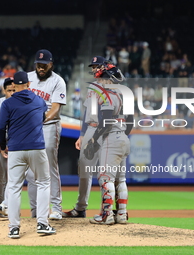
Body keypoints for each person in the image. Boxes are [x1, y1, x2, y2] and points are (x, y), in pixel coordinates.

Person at [0, 71, 56, 239]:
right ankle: (43, 223)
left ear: (14, 85)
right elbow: (42, 116)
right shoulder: (39, 100)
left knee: (14, 187)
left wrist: (2, 145)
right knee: (43, 183)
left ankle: (13, 228)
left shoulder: (8, 103)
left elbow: (0, 128)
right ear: (29, 84)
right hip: (37, 147)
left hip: (15, 149)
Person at [86, 63, 133, 225]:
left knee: (105, 178)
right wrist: (122, 135)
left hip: (111, 138)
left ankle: (106, 215)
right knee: (121, 179)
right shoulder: (123, 94)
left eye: (101, 78)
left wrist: (94, 138)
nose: (99, 81)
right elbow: (131, 123)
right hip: (124, 139)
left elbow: (105, 122)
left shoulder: (107, 95)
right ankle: (121, 214)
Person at [62, 56, 106, 218]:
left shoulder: (113, 86)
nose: (94, 69)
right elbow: (86, 113)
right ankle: (81, 208)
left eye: (97, 66)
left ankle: (107, 209)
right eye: (93, 67)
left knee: (105, 173)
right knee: (84, 171)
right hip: (89, 132)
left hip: (105, 132)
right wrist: (82, 134)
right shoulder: (92, 87)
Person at [26, 49, 67, 220]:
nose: (41, 68)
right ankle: (35, 210)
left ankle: (56, 207)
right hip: (29, 127)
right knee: (30, 171)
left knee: (50, 166)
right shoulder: (28, 78)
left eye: (44, 65)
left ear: (51, 64)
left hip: (49, 125)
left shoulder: (58, 81)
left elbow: (55, 109)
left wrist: (39, 119)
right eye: (38, 64)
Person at [0, 77, 16, 217]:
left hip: (14, 144)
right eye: (9, 90)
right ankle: (0, 204)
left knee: (12, 177)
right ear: (3, 90)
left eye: (14, 90)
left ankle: (6, 205)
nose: (11, 93)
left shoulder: (20, 104)